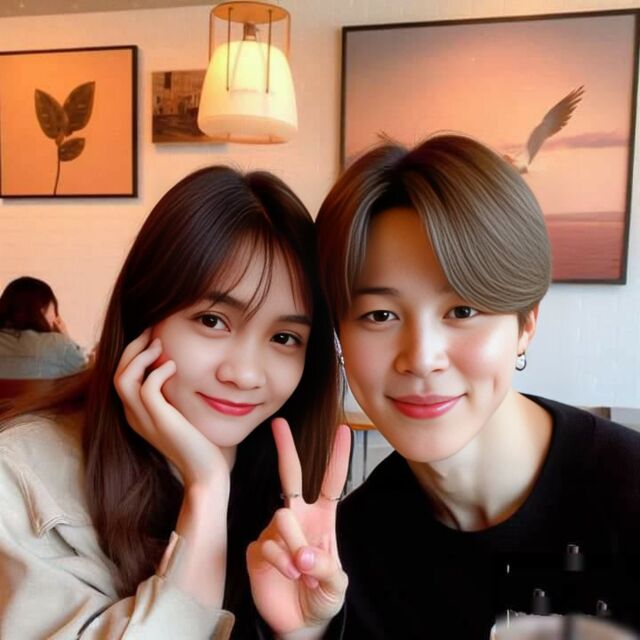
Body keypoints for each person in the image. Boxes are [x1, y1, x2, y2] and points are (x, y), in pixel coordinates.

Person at [309, 134, 640, 638]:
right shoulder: (345, 553)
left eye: (462, 310)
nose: (422, 358)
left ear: (527, 323)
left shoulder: (628, 496)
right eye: (379, 315)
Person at [0, 166, 350, 639]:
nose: (245, 374)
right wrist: (206, 492)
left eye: (284, 337)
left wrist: (301, 632)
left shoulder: (296, 488)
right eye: (212, 321)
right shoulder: (21, 480)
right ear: (143, 312)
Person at [0, 276, 88, 379]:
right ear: (42, 309)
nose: (56, 316)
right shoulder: (59, 345)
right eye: (54, 309)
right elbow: (86, 372)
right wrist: (65, 337)